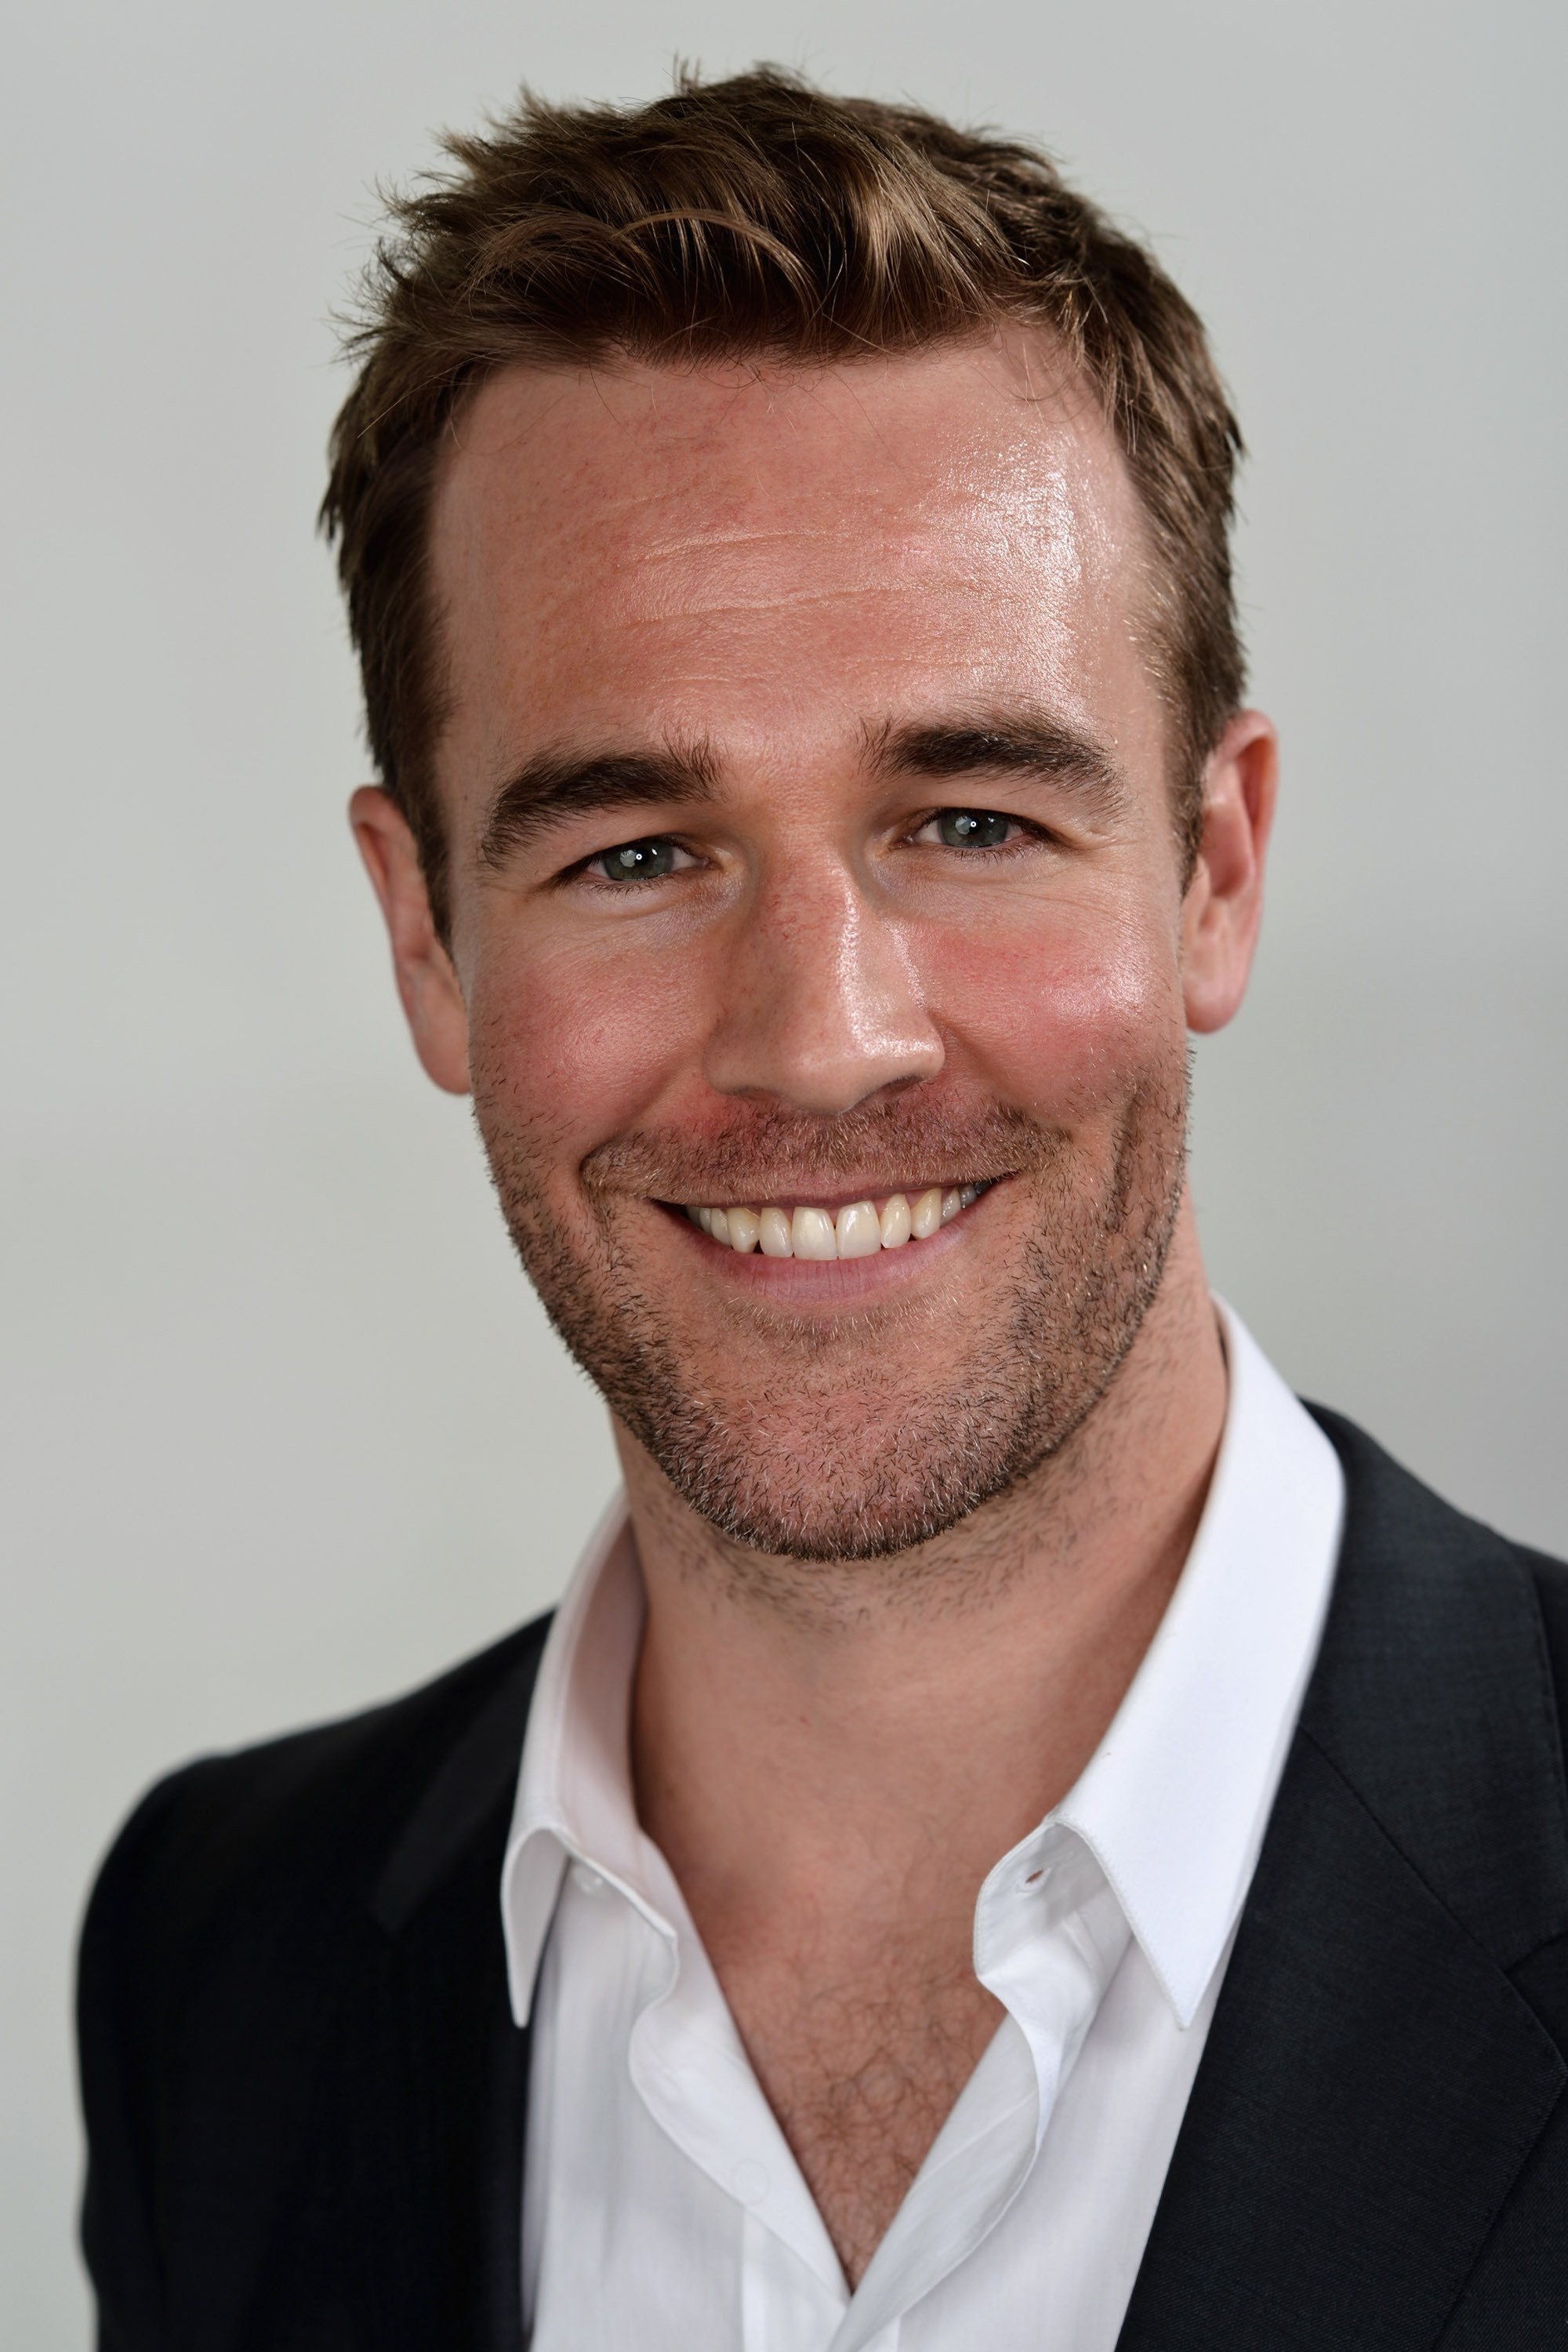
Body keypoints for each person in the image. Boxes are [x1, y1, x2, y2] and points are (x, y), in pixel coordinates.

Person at [77, 67, 1568, 2352]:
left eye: (969, 822)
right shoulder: (218, 1962)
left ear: (1214, 870)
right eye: (635, 853)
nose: (822, 1042)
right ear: (424, 938)